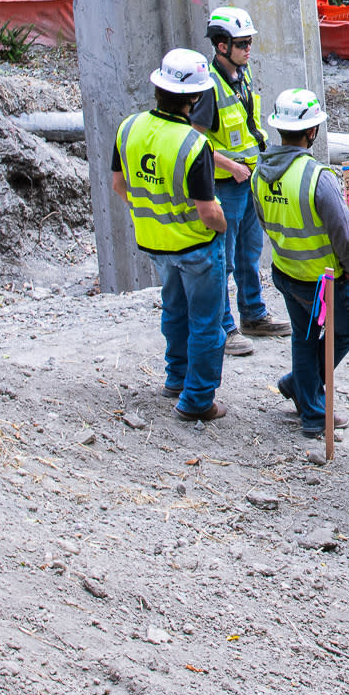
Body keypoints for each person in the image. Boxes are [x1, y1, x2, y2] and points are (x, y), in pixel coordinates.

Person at [110, 50, 230, 421]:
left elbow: (118, 185)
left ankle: (176, 378)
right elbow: (208, 211)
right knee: (207, 323)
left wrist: (153, 213)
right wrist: (223, 225)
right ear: (194, 99)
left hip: (155, 243)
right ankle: (197, 400)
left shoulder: (128, 127)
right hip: (195, 246)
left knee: (175, 311)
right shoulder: (193, 144)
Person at [255, 89, 349, 439]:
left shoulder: (260, 173)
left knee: (303, 339)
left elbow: (265, 221)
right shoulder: (316, 177)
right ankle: (312, 407)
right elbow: (342, 231)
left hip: (286, 271)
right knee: (346, 331)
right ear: (312, 131)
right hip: (324, 279)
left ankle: (300, 387)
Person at [190, 6, 291, 351]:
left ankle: (253, 315)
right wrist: (230, 166)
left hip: (248, 180)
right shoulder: (209, 87)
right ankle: (224, 328)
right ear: (222, 46)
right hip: (225, 185)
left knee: (249, 254)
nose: (249, 49)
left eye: (249, 42)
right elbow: (193, 141)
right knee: (223, 259)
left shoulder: (240, 75)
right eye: (242, 43)